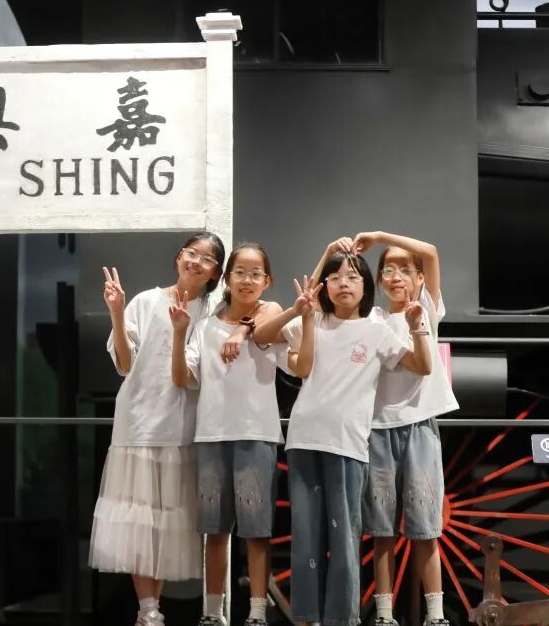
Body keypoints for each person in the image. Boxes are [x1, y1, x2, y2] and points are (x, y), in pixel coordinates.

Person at [253, 252, 432, 626]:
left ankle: (341, 619)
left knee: (345, 540)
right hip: (303, 440)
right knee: (306, 537)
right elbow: (262, 336)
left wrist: (418, 327)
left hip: (348, 446)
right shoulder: (312, 320)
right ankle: (307, 618)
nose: (343, 283)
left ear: (365, 286)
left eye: (352, 277)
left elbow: (422, 366)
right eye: (335, 277)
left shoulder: (376, 330)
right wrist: (299, 310)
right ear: (326, 287)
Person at [89, 233, 225, 626]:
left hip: (181, 428)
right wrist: (117, 311)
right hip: (136, 422)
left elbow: (190, 376)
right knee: (139, 521)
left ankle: (168, 609)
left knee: (166, 520)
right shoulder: (146, 301)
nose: (195, 261)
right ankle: (148, 611)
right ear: (179, 256)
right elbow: (124, 364)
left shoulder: (211, 314)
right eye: (191, 253)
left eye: (206, 259)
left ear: (215, 273)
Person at [344, 233, 458, 626]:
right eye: (388, 269)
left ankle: (435, 614)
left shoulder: (427, 308)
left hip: (420, 427)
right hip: (377, 429)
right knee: (382, 529)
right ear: (378, 280)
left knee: (426, 527)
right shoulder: (373, 319)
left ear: (420, 278)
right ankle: (384, 614)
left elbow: (431, 251)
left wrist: (379, 237)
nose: (396, 276)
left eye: (405, 269)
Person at [170, 243, 287, 626]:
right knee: (215, 532)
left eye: (255, 274)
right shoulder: (205, 328)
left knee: (257, 531)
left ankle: (256, 613)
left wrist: (246, 328)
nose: (247, 280)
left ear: (267, 281)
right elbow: (183, 378)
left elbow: (291, 354)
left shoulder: (269, 319)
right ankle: (212, 613)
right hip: (212, 436)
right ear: (226, 278)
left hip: (257, 434)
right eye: (240, 272)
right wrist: (179, 334)